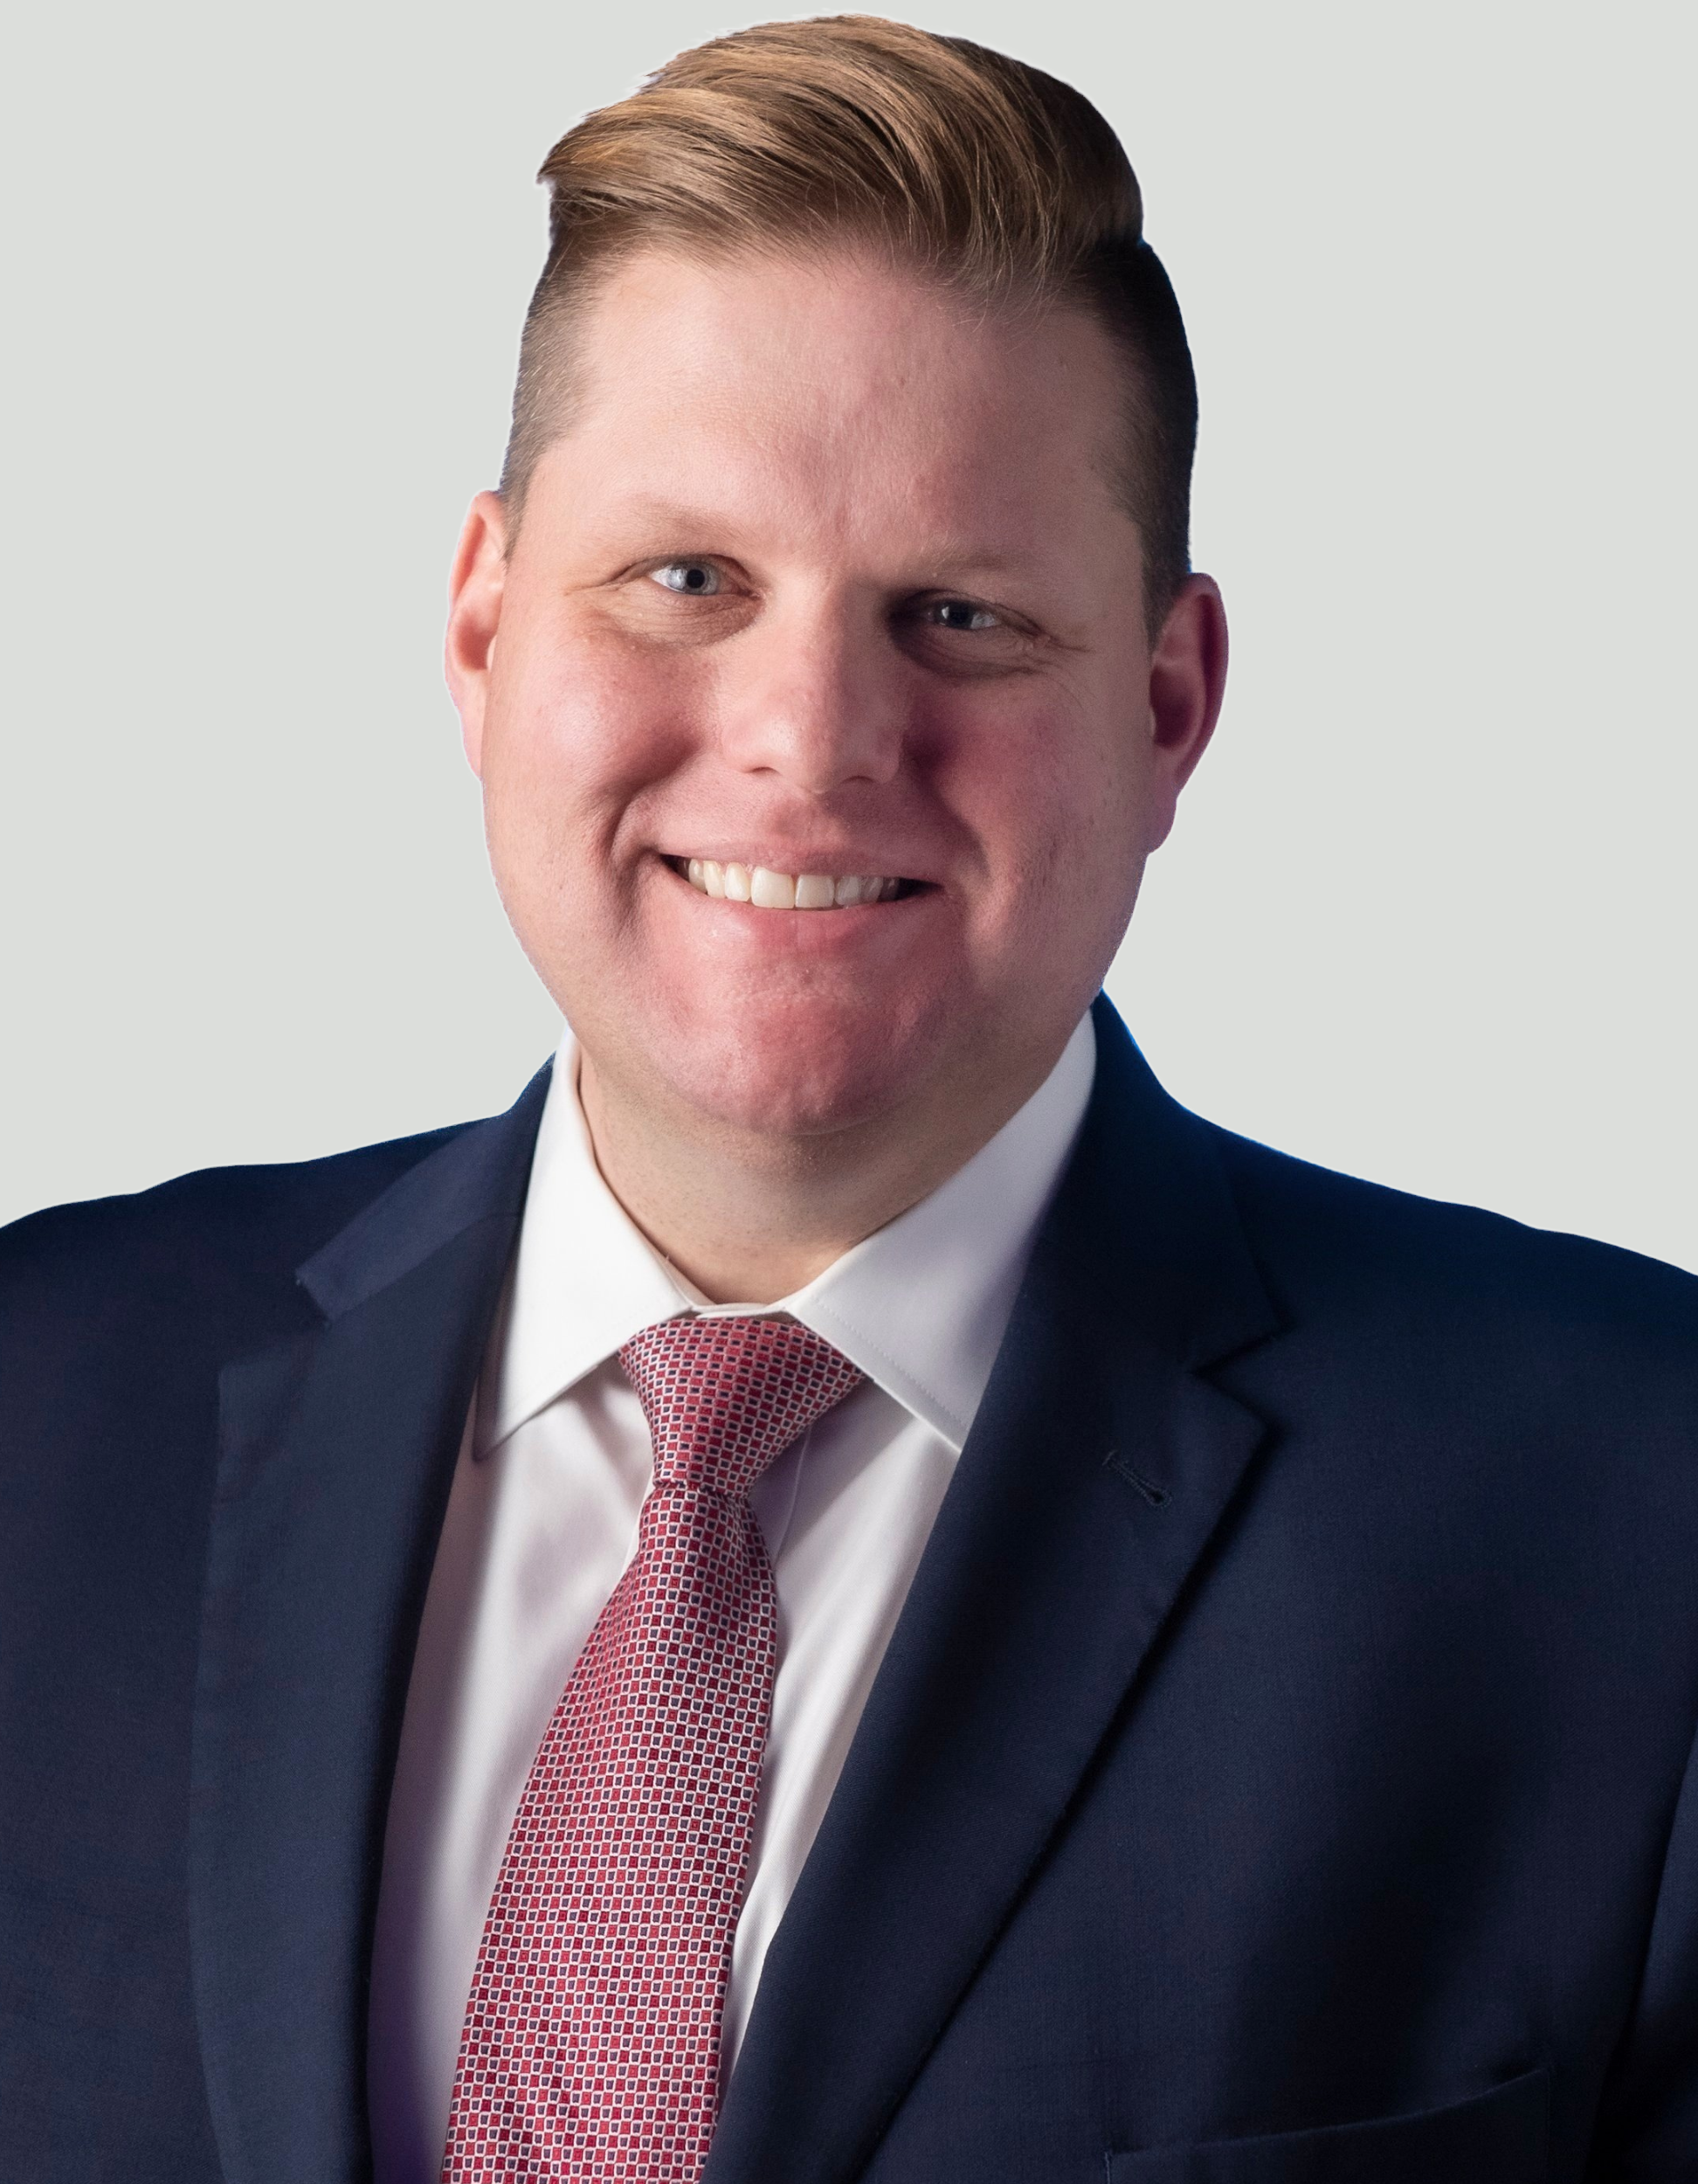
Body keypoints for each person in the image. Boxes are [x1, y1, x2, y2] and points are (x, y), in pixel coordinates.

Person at [2, 14, 1695, 2181]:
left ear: (1170, 708)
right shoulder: (40, 1400)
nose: (811, 738)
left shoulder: (1640, 1522)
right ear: (482, 628)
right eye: (686, 579)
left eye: (963, 614)